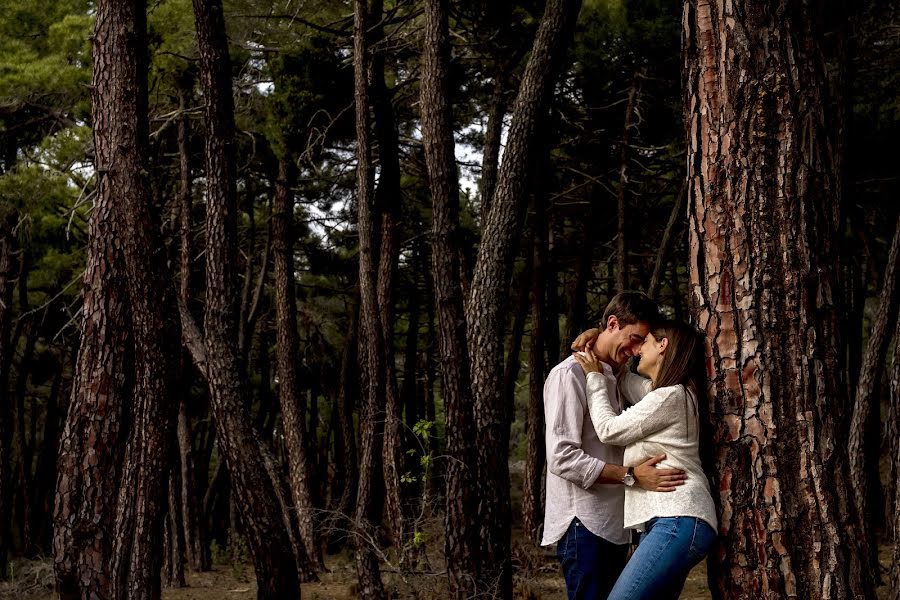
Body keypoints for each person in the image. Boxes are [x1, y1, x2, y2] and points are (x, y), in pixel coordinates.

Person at [542, 291, 687, 600]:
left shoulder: (618, 376)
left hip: (616, 525)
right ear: (612, 323)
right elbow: (561, 457)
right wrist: (630, 475)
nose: (636, 351)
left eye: (642, 343)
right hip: (585, 523)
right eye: (633, 339)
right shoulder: (568, 376)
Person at [572, 319, 718, 600]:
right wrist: (600, 338)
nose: (638, 350)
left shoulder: (669, 396)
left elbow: (607, 429)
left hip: (676, 519)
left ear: (663, 345)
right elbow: (624, 380)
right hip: (671, 522)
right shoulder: (670, 394)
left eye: (645, 342)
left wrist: (593, 377)